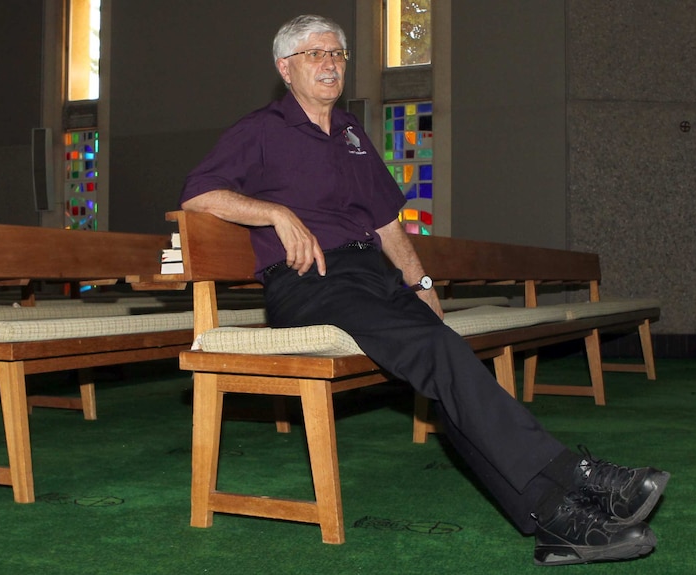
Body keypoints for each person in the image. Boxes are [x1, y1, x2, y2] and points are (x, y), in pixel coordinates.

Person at [180, 14, 669, 566]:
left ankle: (557, 522)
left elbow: (388, 223)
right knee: (441, 353)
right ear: (285, 68)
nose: (331, 63)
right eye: (316, 54)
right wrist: (274, 212)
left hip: (373, 279)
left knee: (447, 364)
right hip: (308, 284)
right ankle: (576, 476)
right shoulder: (261, 129)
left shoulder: (350, 134)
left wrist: (422, 282)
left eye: (338, 54)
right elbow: (198, 196)